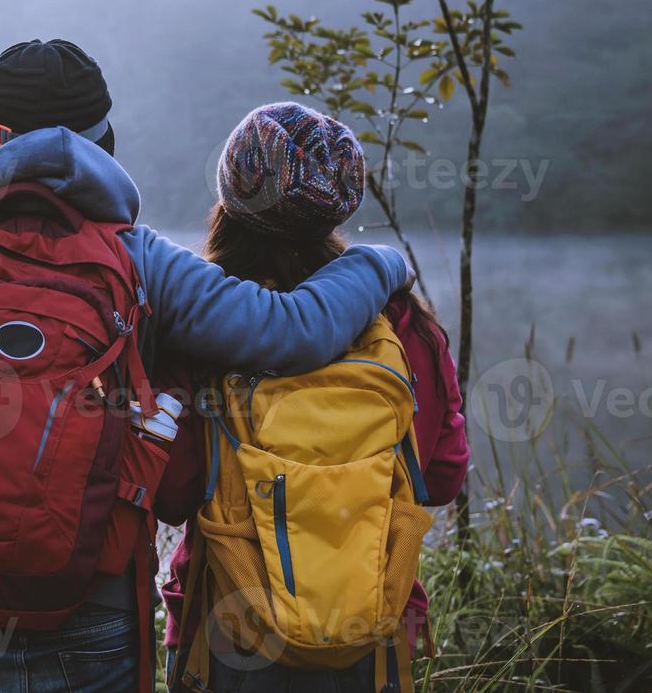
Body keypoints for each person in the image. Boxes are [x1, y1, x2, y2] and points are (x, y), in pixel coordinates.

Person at [0, 41, 414, 692]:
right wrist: (378, 262)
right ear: (103, 141)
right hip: (94, 614)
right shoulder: (145, 266)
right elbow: (292, 331)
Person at [159, 101, 470, 692]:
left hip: (229, 628)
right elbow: (445, 475)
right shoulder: (403, 324)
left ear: (232, 195)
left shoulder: (207, 324)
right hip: (371, 624)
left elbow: (173, 490)